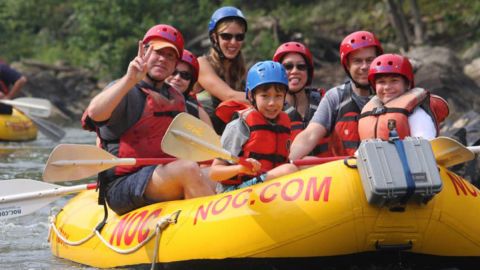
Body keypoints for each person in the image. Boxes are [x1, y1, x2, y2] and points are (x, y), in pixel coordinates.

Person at [83, 24, 215, 215]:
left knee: (215, 174)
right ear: (144, 51)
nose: (163, 59)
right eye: (158, 52)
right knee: (187, 168)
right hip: (123, 185)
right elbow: (95, 114)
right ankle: (208, 226)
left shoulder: (176, 98)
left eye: (170, 56)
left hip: (161, 176)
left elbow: (199, 148)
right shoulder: (125, 89)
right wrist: (129, 80)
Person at [289, 31, 384, 160]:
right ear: (348, 65)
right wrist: (289, 162)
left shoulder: (392, 94)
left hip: (384, 168)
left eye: (370, 60)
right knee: (307, 161)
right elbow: (310, 134)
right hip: (346, 172)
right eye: (357, 61)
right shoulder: (335, 97)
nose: (364, 66)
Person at [210, 61, 297, 193]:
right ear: (251, 96)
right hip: (234, 193)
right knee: (288, 170)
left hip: (267, 186)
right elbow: (214, 173)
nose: (272, 103)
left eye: (278, 96)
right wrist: (240, 168)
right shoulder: (240, 125)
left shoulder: (284, 122)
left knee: (307, 164)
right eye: (265, 96)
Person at [358, 53, 449, 140]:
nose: (387, 87)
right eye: (381, 82)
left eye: (394, 81)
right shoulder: (371, 112)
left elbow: (426, 148)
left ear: (407, 85)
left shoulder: (417, 114)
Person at [196, 6, 248, 134]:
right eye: (226, 36)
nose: (233, 42)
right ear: (214, 38)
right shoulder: (202, 64)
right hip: (203, 141)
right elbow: (229, 95)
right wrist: (267, 99)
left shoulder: (242, 72)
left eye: (239, 37)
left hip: (232, 146)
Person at [273, 41, 331, 157]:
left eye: (301, 67)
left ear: (308, 72)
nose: (295, 71)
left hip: (328, 171)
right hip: (291, 172)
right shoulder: (270, 107)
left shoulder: (326, 101)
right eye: (288, 67)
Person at [166, 49, 213, 127]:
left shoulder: (195, 110)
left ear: (190, 83)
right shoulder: (145, 95)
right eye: (173, 72)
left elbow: (211, 137)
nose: (177, 78)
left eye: (185, 75)